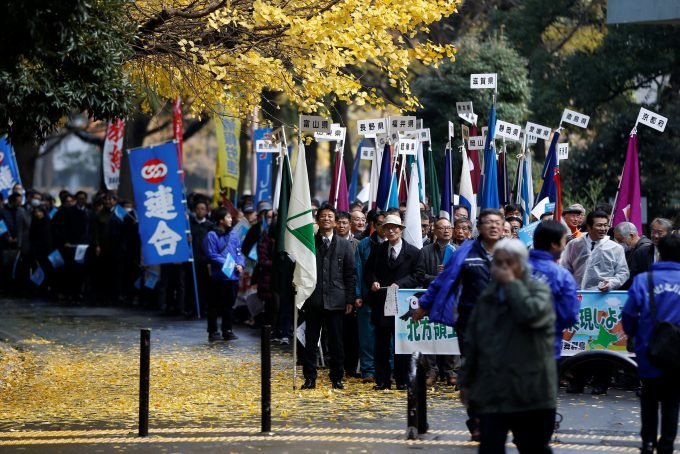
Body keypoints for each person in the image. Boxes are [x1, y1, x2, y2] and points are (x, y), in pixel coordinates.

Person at [458, 238, 556, 454]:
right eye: (498, 263)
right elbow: (473, 342)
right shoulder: (487, 297)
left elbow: (530, 315)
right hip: (493, 391)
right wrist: (466, 381)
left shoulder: (538, 290)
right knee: (490, 447)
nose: (502, 268)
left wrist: (512, 284)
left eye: (508, 263)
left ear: (520, 265)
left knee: (533, 448)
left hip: (530, 392)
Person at [413, 208, 504, 440]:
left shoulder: (512, 252)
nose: (494, 226)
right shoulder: (465, 252)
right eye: (488, 222)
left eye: (498, 222)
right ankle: (476, 417)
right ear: (480, 228)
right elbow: (445, 279)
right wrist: (424, 304)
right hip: (470, 322)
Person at [623, 234, 680, 454]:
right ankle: (666, 445)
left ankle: (647, 442)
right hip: (677, 354)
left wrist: (633, 334)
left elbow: (628, 314)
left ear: (660, 253)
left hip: (649, 350)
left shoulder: (643, 280)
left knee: (649, 398)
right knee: (672, 402)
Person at [365, 214, 424, 390]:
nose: (391, 231)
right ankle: (382, 380)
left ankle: (402, 380)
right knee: (381, 343)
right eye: (387, 228)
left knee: (402, 343)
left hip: (403, 303)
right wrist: (373, 281)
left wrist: (400, 284)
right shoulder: (378, 249)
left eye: (395, 227)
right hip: (382, 302)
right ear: (382, 230)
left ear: (401, 230)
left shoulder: (414, 252)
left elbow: (418, 275)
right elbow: (368, 271)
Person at [301, 205, 356, 390]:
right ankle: (309, 378)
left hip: (337, 300)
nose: (326, 219)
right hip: (313, 299)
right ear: (317, 220)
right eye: (322, 216)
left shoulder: (344, 245)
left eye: (329, 216)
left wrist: (349, 299)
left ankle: (337, 378)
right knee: (310, 342)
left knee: (336, 343)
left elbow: (350, 274)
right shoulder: (309, 242)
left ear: (335, 221)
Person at [530, 221, 580, 366]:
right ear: (554, 244)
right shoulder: (562, 276)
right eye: (564, 241)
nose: (565, 246)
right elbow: (570, 315)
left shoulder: (511, 269)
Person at [420, 217, 456, 386]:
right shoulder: (425, 251)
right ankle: (431, 370)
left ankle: (450, 371)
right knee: (430, 334)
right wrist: (438, 277)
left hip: (450, 300)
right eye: (442, 228)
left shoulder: (456, 251)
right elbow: (419, 276)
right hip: (430, 298)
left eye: (449, 228)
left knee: (449, 335)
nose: (446, 231)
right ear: (434, 231)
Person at [203, 207, 245, 342]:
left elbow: (239, 252)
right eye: (228, 217)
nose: (231, 219)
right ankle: (213, 331)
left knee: (229, 304)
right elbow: (212, 255)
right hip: (218, 276)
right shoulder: (212, 235)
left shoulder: (234, 235)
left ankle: (227, 330)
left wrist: (240, 264)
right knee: (214, 305)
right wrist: (229, 263)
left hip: (232, 276)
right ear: (221, 220)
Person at [561, 210, 629, 291]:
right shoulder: (574, 245)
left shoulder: (616, 248)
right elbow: (564, 268)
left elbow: (623, 273)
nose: (603, 229)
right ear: (589, 226)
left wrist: (611, 283)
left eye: (605, 225)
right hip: (577, 294)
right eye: (599, 225)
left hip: (603, 296)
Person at [354, 210, 386, 382]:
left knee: (388, 336)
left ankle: (389, 369)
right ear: (373, 225)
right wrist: (357, 294)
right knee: (367, 336)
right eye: (380, 223)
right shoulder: (364, 244)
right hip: (367, 297)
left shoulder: (395, 243)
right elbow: (358, 271)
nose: (384, 227)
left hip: (388, 297)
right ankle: (368, 371)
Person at [188, 200, 214, 316]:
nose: (200, 211)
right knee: (193, 285)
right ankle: (193, 307)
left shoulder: (210, 226)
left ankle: (204, 308)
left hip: (205, 261)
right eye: (198, 208)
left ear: (206, 211)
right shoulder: (190, 225)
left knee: (205, 286)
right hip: (193, 260)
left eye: (203, 208)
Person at [614, 221, 652, 290]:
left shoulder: (644, 249)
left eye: (620, 240)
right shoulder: (632, 250)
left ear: (631, 236)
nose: (619, 244)